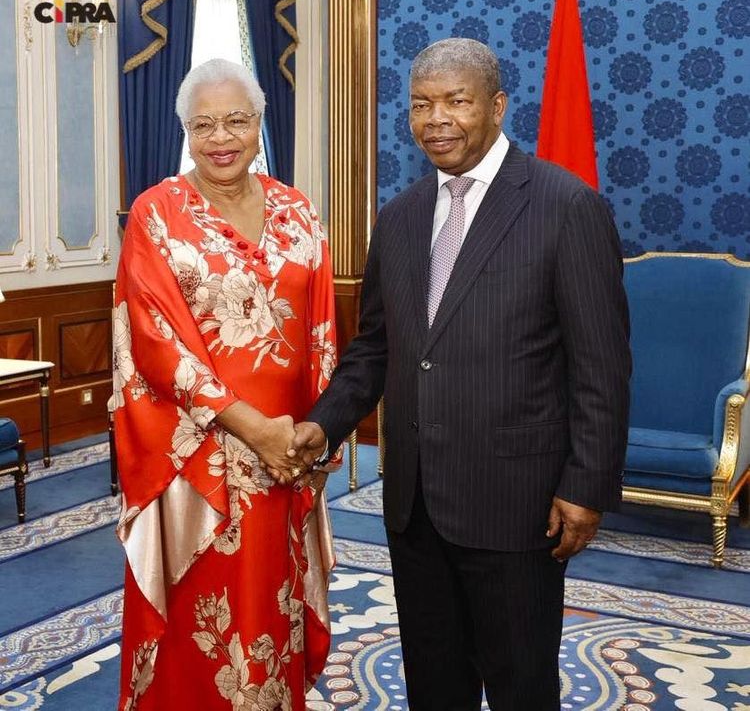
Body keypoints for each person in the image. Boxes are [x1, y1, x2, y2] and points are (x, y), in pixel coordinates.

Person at [292, 38, 631, 711]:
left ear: (497, 106)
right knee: (435, 682)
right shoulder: (399, 216)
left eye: (455, 101)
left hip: (517, 503)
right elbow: (376, 349)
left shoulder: (567, 206)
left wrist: (585, 486)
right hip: (415, 504)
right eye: (421, 105)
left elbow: (602, 365)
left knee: (520, 685)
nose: (436, 120)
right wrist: (321, 426)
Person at [113, 58, 339, 710]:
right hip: (198, 461)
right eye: (203, 124)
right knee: (203, 620)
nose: (221, 138)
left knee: (272, 603)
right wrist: (253, 429)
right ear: (184, 130)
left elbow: (323, 331)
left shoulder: (298, 210)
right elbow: (155, 343)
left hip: (287, 455)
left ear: (259, 122)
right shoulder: (157, 213)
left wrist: (314, 433)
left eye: (236, 120)